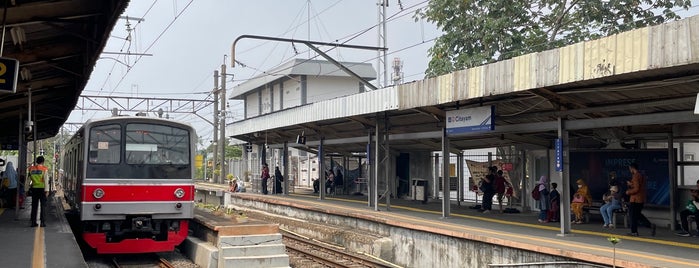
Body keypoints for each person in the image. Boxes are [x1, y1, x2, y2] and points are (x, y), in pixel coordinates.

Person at [626, 163, 655, 236]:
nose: (630, 170)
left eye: (630, 169)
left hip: (635, 199)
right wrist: (631, 184)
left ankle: (634, 232)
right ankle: (649, 225)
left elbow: (636, 188)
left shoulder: (635, 176)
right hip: (641, 198)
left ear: (632, 168)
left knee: (632, 215)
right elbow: (639, 186)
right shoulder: (641, 175)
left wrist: (628, 192)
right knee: (638, 214)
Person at [29, 156, 49, 227]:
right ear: (43, 162)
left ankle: (33, 222)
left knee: (34, 206)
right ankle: (42, 222)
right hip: (42, 189)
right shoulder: (44, 169)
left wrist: (26, 189)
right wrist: (47, 190)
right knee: (43, 206)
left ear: (37, 161)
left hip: (34, 189)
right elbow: (46, 181)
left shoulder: (31, 169)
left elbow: (28, 180)